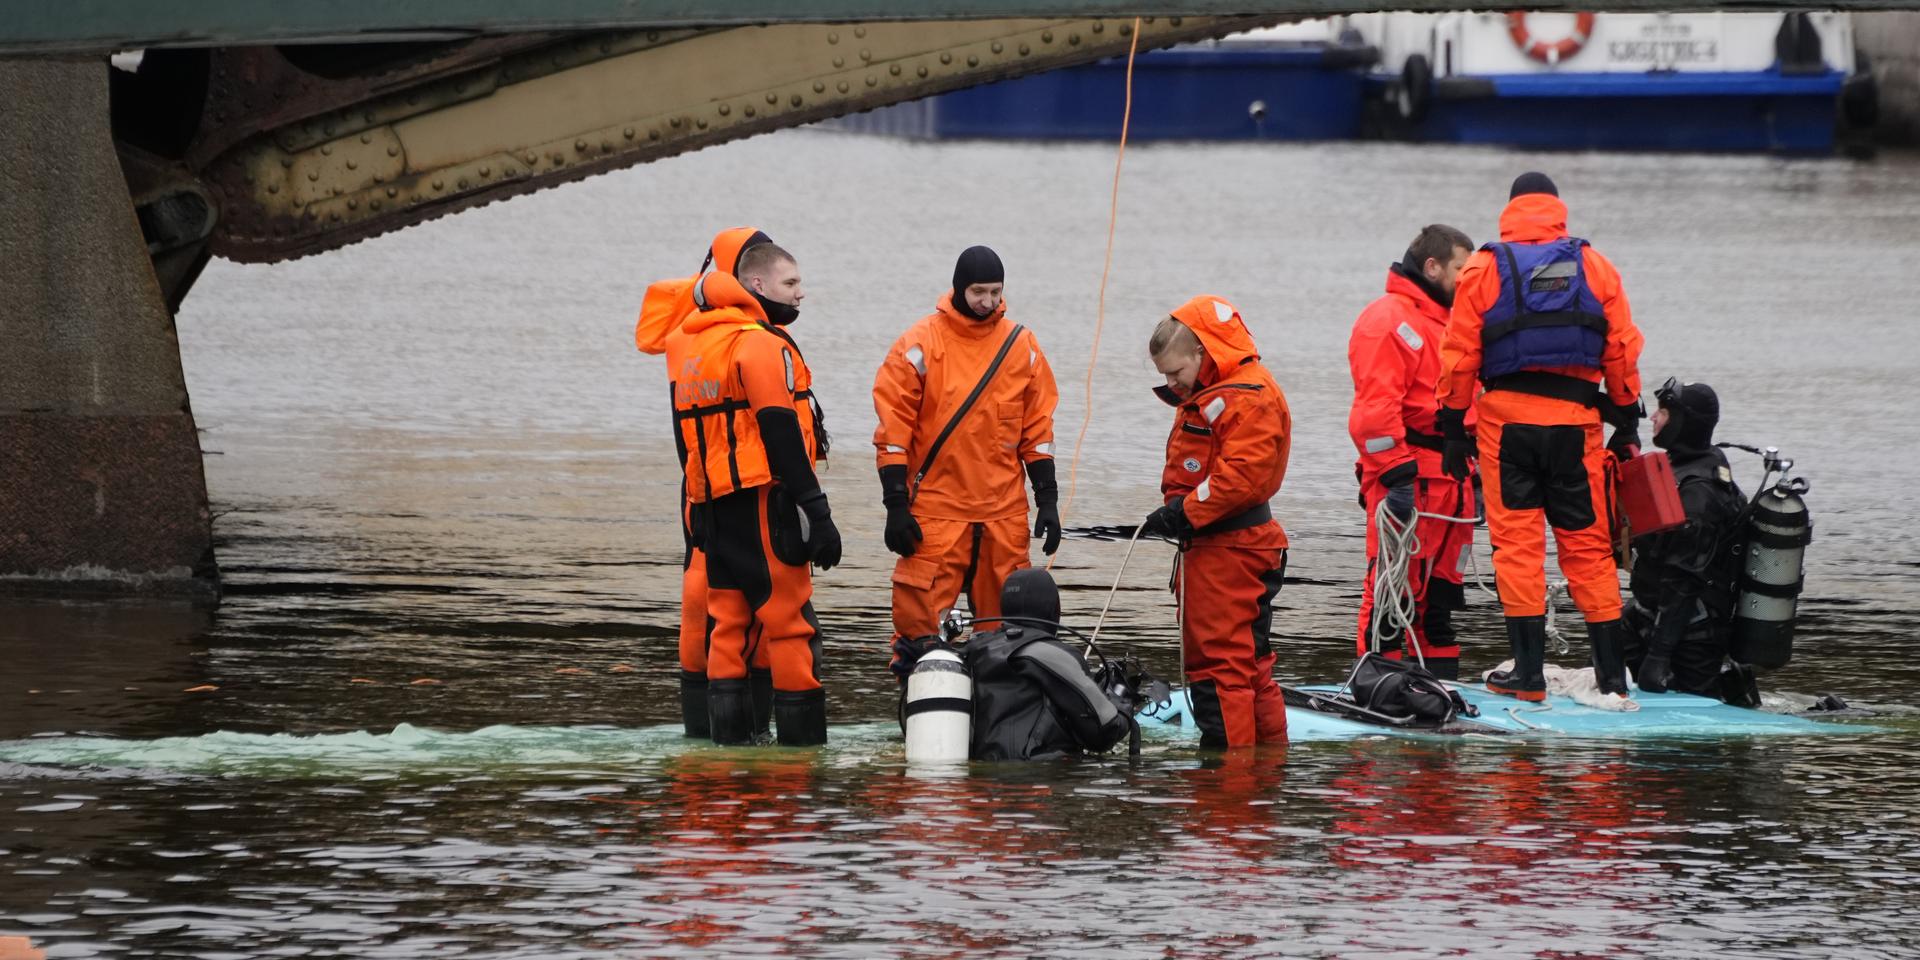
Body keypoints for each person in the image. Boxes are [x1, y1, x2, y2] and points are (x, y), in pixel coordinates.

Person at [1435, 172, 1646, 703]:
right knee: (1590, 549)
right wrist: (1625, 413)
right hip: (1576, 427)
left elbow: (1459, 353)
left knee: (1518, 549)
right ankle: (1612, 678)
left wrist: (1451, 423)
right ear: (1557, 209)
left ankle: (1527, 676)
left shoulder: (1483, 267)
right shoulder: (1594, 266)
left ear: (1510, 211)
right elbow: (1621, 345)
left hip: (1506, 427)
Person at [666, 241, 840, 745]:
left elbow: (686, 439)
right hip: (765, 504)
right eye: (791, 284)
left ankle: (727, 751)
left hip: (713, 510)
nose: (800, 293)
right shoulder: (762, 344)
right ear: (757, 287)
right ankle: (801, 754)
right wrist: (818, 513)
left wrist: (697, 509)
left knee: (728, 627)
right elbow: (780, 431)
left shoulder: (692, 347)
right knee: (790, 626)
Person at [872, 245, 1060, 673]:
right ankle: (919, 716)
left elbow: (1038, 432)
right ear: (958, 288)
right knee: (918, 636)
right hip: (936, 513)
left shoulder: (1022, 346)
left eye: (996, 292)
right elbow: (893, 432)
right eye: (979, 292)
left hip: (1004, 514)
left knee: (1010, 639)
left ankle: (997, 724)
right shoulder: (920, 344)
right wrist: (895, 506)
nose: (988, 302)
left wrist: (1046, 500)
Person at [638, 226, 780, 739]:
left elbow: (688, 432)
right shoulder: (743, 340)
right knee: (739, 619)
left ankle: (710, 744)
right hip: (732, 496)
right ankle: (743, 742)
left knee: (708, 615)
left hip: (702, 496)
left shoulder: (689, 337)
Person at [1140, 295, 1291, 747]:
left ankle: (1228, 784)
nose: (1172, 384)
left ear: (1202, 354)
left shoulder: (1248, 397)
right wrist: (1180, 516)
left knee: (1220, 667)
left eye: (1176, 373)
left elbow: (1240, 478)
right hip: (1228, 546)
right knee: (1252, 664)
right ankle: (1266, 767)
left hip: (1230, 552)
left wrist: (1183, 513)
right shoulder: (1226, 392)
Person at [1347, 224, 1479, 680]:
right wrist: (1396, 475)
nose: (1470, 279)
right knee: (1392, 590)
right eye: (1463, 268)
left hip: (1452, 481)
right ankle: (1379, 683)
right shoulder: (1387, 321)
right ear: (1432, 266)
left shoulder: (1453, 323)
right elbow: (1374, 412)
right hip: (1411, 479)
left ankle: (1437, 689)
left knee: (1440, 600)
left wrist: (1475, 473)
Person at [1623, 379, 1756, 704]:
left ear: (1684, 423)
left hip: (1689, 637)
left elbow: (1684, 580)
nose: (1653, 418)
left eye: (1663, 413)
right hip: (1644, 617)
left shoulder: (1700, 494)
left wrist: (1659, 656)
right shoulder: (1679, 466)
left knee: (1686, 733)